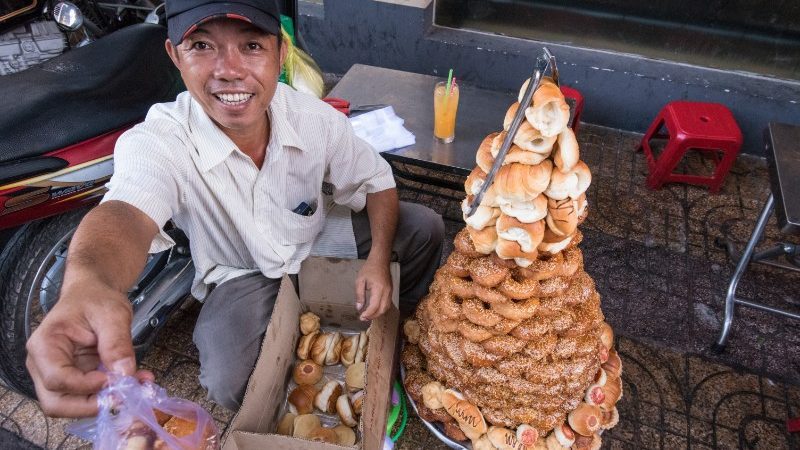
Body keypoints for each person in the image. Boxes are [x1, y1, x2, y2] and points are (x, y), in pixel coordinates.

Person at [25, 0, 444, 417]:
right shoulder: (160, 140)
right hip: (242, 271)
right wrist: (88, 284)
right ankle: (290, 392)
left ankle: (396, 330)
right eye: (202, 46)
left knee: (424, 226)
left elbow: (376, 181)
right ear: (174, 54)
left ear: (280, 53)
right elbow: (126, 212)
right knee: (227, 379)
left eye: (251, 46)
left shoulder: (314, 119)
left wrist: (375, 261)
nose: (229, 70)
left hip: (314, 239)